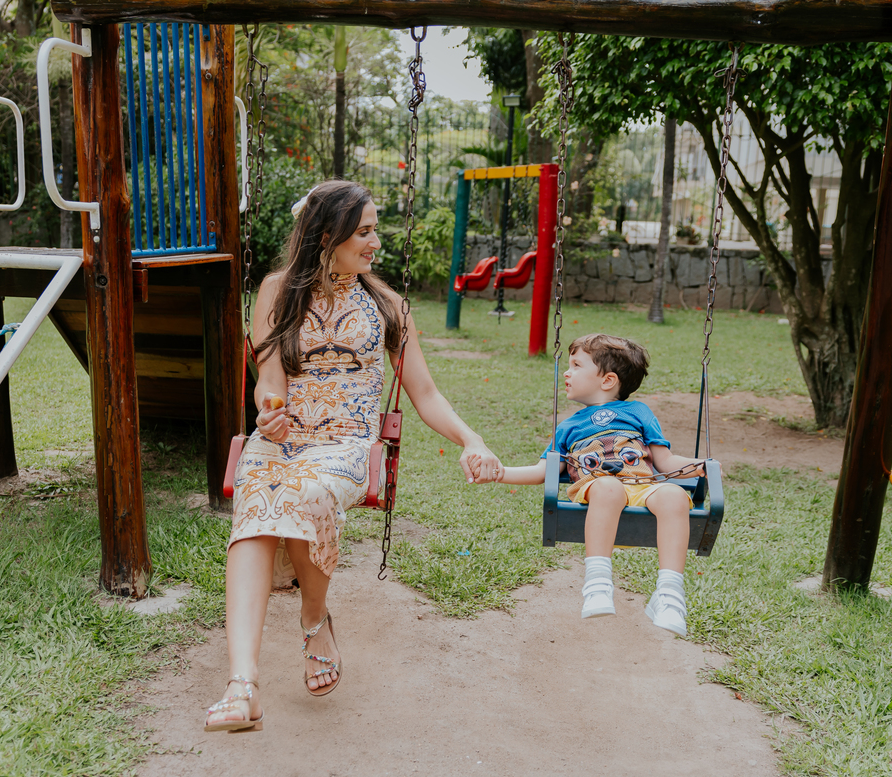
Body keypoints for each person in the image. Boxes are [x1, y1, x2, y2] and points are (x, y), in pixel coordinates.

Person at [204, 180, 502, 733]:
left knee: (310, 493)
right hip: (283, 438)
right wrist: (268, 410)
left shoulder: (387, 305)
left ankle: (314, 619)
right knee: (255, 509)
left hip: (345, 443)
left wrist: (472, 439)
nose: (375, 243)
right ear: (327, 236)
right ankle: (242, 684)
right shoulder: (275, 291)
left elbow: (427, 394)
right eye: (364, 232)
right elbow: (269, 379)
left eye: (374, 230)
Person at [491, 333, 704, 636]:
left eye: (576, 365)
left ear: (607, 380)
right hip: (598, 488)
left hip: (642, 486)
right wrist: (501, 472)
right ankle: (598, 584)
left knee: (672, 495)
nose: (567, 372)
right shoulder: (569, 425)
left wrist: (700, 466)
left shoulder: (639, 412)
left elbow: (665, 462)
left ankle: (669, 596)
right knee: (608, 486)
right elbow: (544, 471)